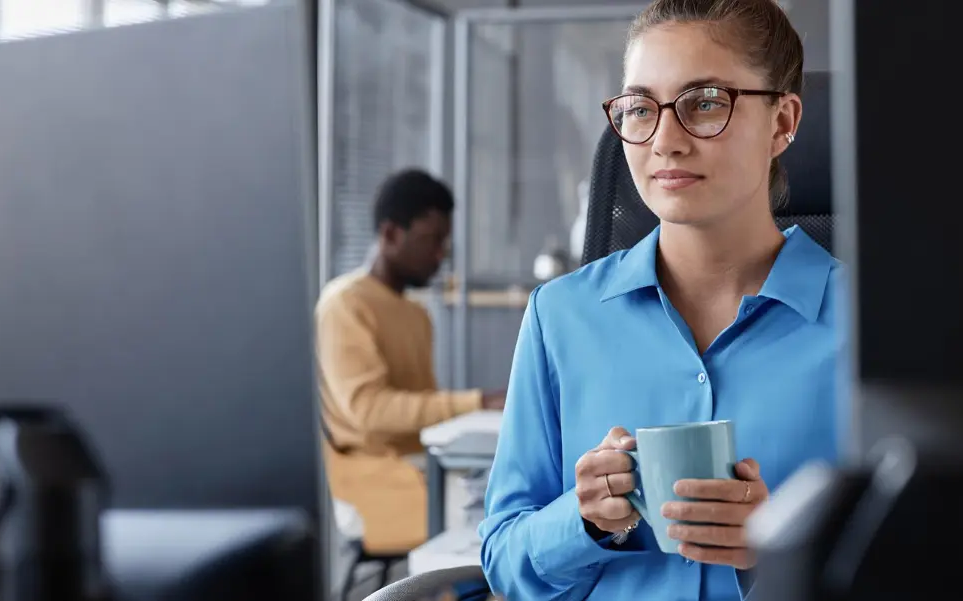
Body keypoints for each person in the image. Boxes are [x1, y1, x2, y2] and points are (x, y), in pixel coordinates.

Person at [478, 0, 843, 599]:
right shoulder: (560, 317)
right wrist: (584, 521)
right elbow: (503, 561)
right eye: (641, 108)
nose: (664, 141)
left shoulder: (869, 327)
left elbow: (933, 561)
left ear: (781, 122)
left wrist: (780, 552)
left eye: (704, 104)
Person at [317, 168, 506, 555]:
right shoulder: (344, 304)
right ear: (389, 235)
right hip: (369, 485)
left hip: (423, 470)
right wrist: (476, 402)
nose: (440, 255)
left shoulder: (416, 314)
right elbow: (371, 412)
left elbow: (420, 415)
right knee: (495, 519)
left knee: (512, 495)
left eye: (445, 244)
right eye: (431, 241)